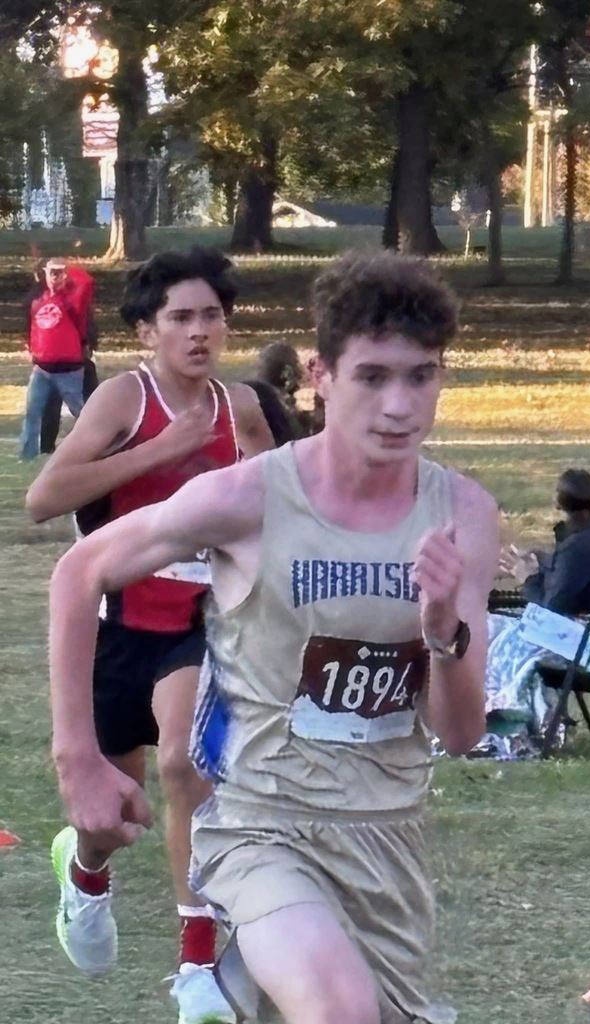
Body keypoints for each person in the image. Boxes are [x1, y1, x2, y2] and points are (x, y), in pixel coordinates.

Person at [48, 250, 498, 1024]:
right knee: (338, 1010)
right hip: (261, 825)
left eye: (420, 376)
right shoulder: (251, 494)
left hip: (386, 842)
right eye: (372, 377)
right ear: (320, 375)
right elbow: (80, 570)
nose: (399, 406)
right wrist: (76, 759)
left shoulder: (461, 513)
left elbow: (459, 734)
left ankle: (231, 988)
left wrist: (443, 632)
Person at [27, 247, 273, 1024]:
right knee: (110, 814)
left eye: (211, 316)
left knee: (183, 759)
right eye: (180, 319)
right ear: (146, 332)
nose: (199, 332)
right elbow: (44, 497)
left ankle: (196, 965)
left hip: (197, 625)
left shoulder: (245, 408)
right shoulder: (123, 400)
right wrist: (163, 450)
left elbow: (282, 506)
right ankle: (86, 873)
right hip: (113, 623)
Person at [19, 258, 95, 460]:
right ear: (44, 275)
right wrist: (33, 349)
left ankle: (95, 449)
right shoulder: (38, 301)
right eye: (51, 273)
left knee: (81, 413)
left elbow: (87, 281)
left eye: (59, 273)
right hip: (42, 369)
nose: (55, 277)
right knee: (32, 413)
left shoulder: (73, 300)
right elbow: (36, 328)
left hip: (68, 369)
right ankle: (28, 456)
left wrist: (66, 267)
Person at [499, 468, 590, 616]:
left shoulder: (574, 548)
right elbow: (573, 573)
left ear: (558, 502)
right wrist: (544, 560)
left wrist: (527, 579)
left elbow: (551, 610)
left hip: (577, 629)